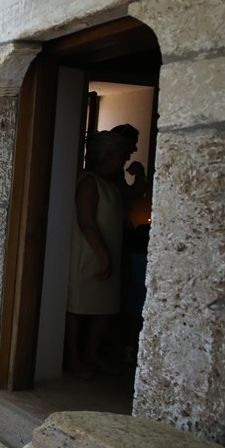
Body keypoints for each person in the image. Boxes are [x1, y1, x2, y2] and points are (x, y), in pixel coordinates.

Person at [65, 129, 137, 379]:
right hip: (89, 252)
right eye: (121, 156)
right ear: (107, 155)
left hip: (106, 251)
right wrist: (103, 254)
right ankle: (74, 357)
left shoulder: (109, 184)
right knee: (79, 305)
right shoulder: (88, 182)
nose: (124, 161)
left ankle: (91, 354)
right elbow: (86, 221)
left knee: (105, 306)